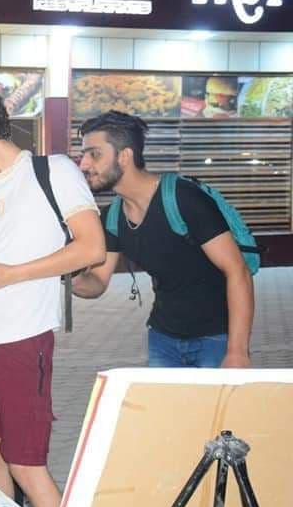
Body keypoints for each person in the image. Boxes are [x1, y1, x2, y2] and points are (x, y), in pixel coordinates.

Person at [0, 89, 105, 507]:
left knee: (26, 464)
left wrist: (13, 274)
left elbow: (92, 247)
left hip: (21, 340)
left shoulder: (53, 171)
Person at [72, 111, 253, 368]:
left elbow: (237, 271)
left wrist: (237, 351)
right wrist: (66, 276)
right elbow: (98, 282)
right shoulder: (112, 216)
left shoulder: (183, 198)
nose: (84, 165)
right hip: (163, 338)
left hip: (216, 338)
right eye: (84, 155)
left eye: (94, 154)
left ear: (125, 156)